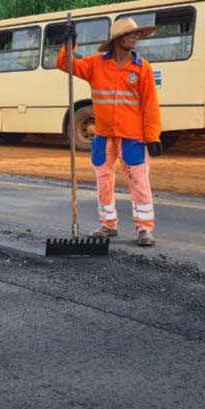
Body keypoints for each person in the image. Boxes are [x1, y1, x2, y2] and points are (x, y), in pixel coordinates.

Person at [57, 17, 162, 247]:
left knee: (139, 182)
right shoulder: (96, 64)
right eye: (131, 35)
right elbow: (66, 64)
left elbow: (150, 105)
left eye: (137, 35)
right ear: (117, 40)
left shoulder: (142, 68)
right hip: (103, 135)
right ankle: (107, 224)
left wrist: (153, 136)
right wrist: (69, 43)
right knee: (104, 181)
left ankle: (145, 228)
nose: (136, 38)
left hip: (133, 137)